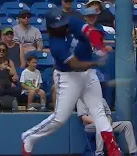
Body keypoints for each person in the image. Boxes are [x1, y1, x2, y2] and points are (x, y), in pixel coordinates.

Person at [21, 8, 121, 156]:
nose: (63, 27)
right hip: (68, 77)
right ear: (50, 28)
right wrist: (96, 63)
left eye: (63, 23)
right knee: (59, 119)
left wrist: (99, 46)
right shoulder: (56, 45)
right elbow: (76, 64)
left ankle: (114, 150)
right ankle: (29, 137)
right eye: (59, 26)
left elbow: (90, 32)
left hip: (88, 75)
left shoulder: (71, 21)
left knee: (99, 111)